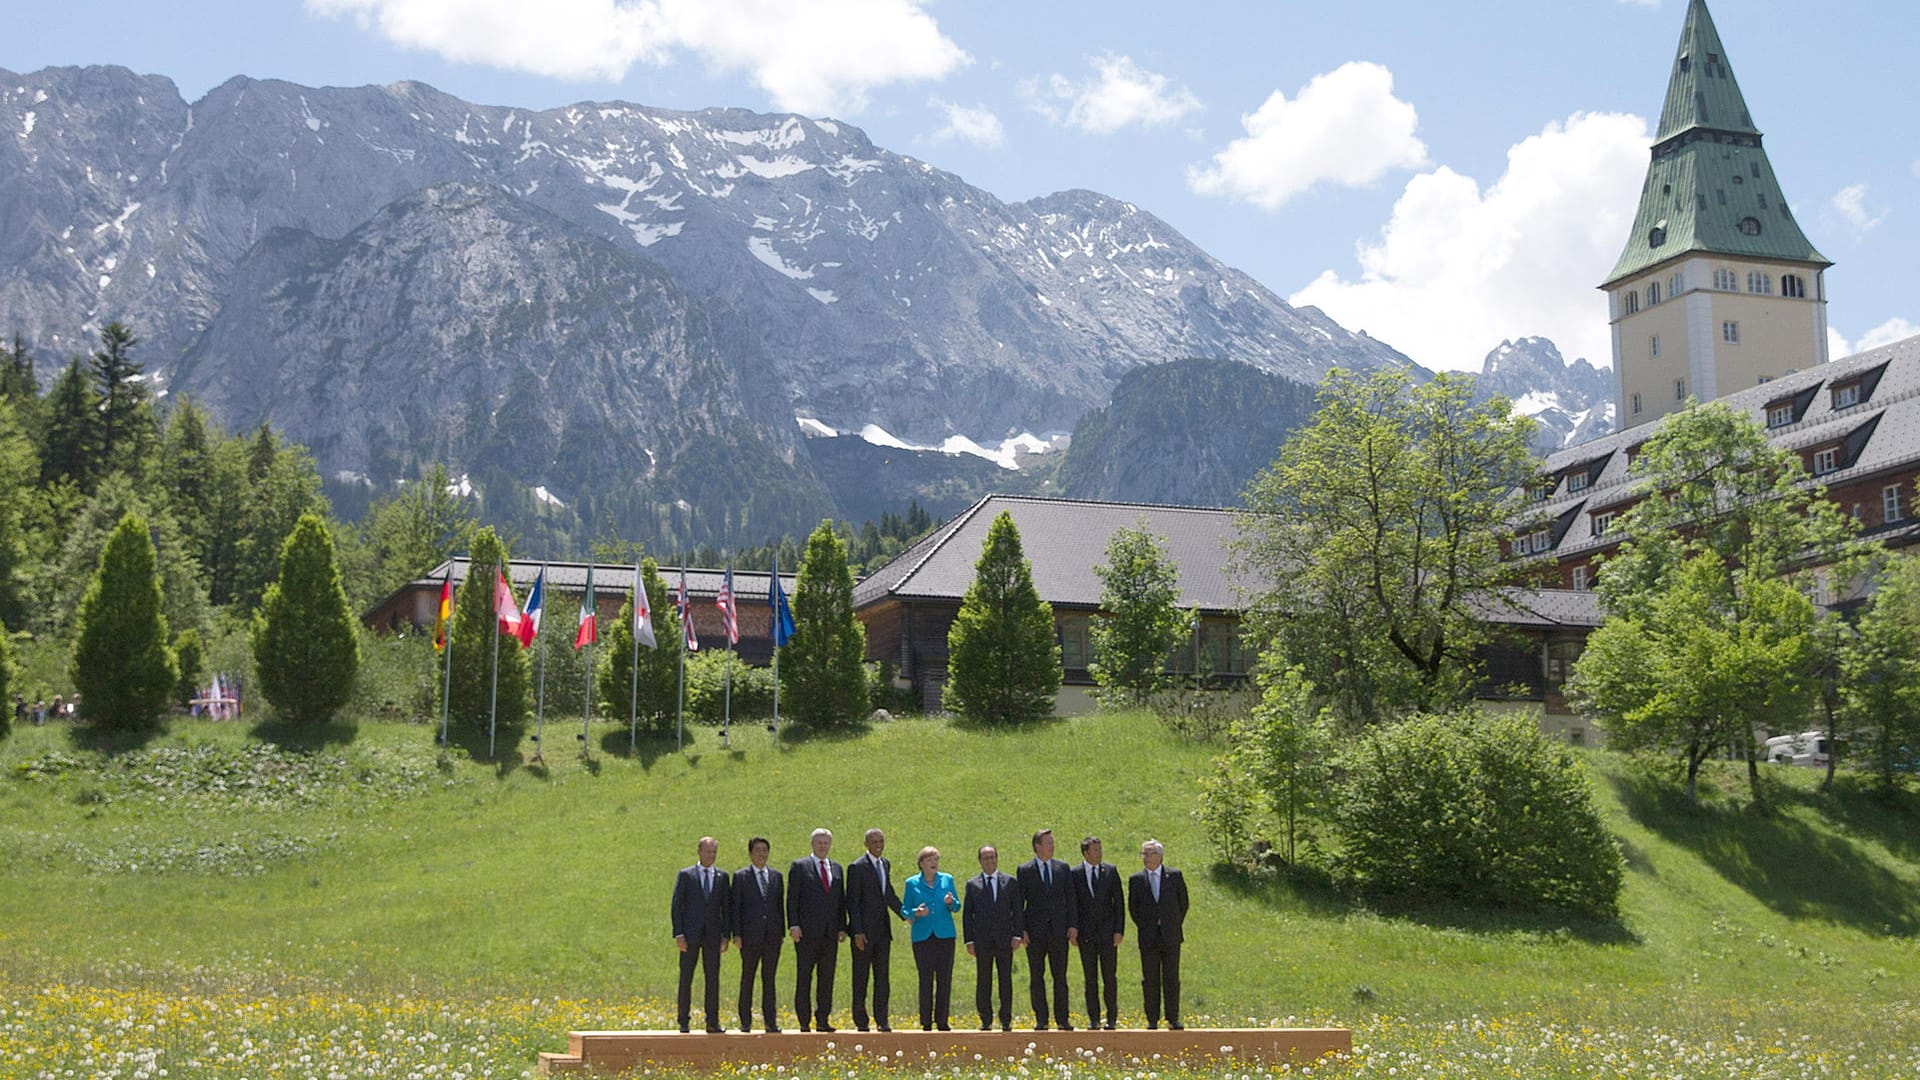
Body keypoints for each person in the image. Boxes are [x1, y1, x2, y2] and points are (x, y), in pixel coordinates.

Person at [787, 826, 847, 1032]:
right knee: (804, 976)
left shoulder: (837, 868)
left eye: (826, 843)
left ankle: (823, 1019)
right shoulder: (800, 866)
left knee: (827, 977)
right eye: (819, 842)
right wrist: (793, 925)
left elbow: (840, 901)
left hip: (830, 934)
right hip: (806, 933)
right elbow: (792, 898)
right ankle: (804, 1021)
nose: (823, 846)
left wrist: (841, 927)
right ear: (812, 844)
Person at [670, 836, 733, 1033]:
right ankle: (683, 1021)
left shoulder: (722, 877)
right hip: (690, 935)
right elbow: (676, 905)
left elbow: (727, 908)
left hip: (713, 936)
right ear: (699, 851)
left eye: (714, 852)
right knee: (686, 977)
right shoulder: (686, 875)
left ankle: (712, 1021)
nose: (711, 855)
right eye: (708, 851)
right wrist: (679, 933)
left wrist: (726, 935)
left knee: (712, 979)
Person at [1017, 827, 1077, 1030]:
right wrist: (1022, 930)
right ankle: (1041, 1020)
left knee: (1060, 977)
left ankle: (1063, 1019)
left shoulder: (1062, 868)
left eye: (1053, 842)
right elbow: (1019, 903)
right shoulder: (1025, 870)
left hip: (1059, 932)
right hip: (1035, 933)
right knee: (1037, 977)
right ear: (1037, 846)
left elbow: (1071, 899)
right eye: (1048, 842)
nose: (1052, 845)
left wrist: (1072, 925)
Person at [1127, 838, 1189, 1030]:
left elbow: (1183, 903)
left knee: (1171, 977)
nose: (1145, 857)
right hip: (1148, 937)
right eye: (1143, 853)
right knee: (1150, 979)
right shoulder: (1136, 880)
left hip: (1170, 936)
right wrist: (1148, 926)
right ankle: (1152, 1019)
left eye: (1149, 853)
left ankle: (1173, 1018)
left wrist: (1171, 923)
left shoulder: (1174, 876)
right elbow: (1133, 908)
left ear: (1159, 856)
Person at [846, 827, 904, 1032]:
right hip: (864, 933)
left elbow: (888, 894)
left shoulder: (884, 864)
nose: (878, 845)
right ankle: (861, 1021)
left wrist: (907, 914)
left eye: (881, 841)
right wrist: (858, 932)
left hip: (882, 932)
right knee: (861, 977)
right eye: (874, 842)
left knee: (882, 977)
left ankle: (882, 1019)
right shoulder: (856, 867)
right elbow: (852, 902)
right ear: (866, 844)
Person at [898, 845, 961, 1031]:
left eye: (935, 859)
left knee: (944, 978)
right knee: (925, 979)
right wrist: (915, 912)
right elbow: (904, 909)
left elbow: (957, 906)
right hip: (923, 937)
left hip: (945, 935)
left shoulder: (947, 879)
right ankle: (926, 1021)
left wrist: (951, 902)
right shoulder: (912, 883)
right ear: (921, 864)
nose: (933, 863)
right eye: (929, 860)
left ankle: (942, 1021)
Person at [962, 845, 1024, 1031]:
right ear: (980, 861)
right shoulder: (973, 885)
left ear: (997, 859)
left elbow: (1017, 911)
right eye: (985, 858)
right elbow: (968, 915)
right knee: (984, 980)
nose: (989, 861)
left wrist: (1017, 935)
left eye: (992, 857)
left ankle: (1006, 1019)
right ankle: (986, 1019)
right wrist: (969, 941)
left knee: (1006, 980)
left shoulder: (1010, 882)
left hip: (1005, 939)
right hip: (982, 941)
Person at [731, 836, 785, 1033]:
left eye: (765, 850)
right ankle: (745, 1021)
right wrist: (736, 934)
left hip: (772, 936)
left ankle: (770, 1022)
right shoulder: (741, 877)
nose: (761, 854)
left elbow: (779, 906)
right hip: (749, 936)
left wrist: (781, 932)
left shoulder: (776, 876)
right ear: (750, 853)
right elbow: (735, 907)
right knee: (748, 978)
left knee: (769, 979)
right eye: (758, 850)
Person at [1072, 835, 1125, 1030]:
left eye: (1100, 849)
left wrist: (1119, 930)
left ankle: (1112, 1018)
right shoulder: (1075, 873)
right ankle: (1093, 1018)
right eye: (1095, 850)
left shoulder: (1110, 871)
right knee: (1090, 977)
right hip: (1086, 935)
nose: (1099, 853)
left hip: (1107, 934)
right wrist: (1074, 930)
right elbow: (1073, 904)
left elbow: (1118, 902)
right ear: (1086, 853)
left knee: (1109, 977)